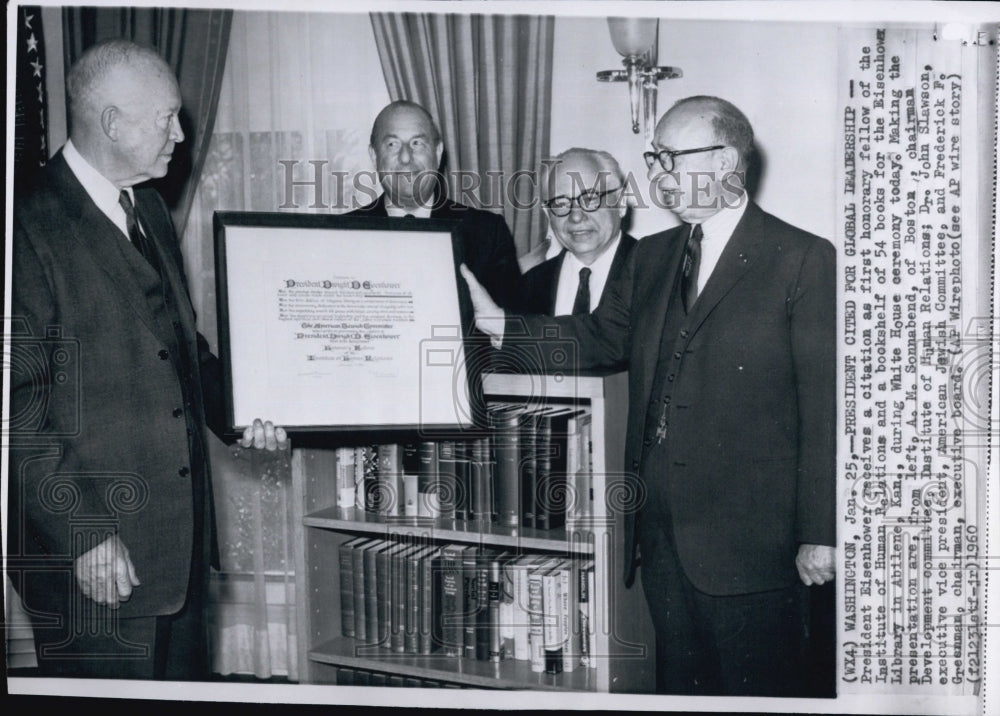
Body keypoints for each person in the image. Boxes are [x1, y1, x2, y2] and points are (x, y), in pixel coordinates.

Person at [461, 95, 835, 696]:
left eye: (671, 158)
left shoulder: (801, 258)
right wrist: (504, 325)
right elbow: (599, 336)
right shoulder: (657, 255)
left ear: (726, 161)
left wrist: (823, 530)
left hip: (752, 546)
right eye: (654, 159)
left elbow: (825, 407)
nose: (657, 175)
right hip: (660, 537)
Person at [8, 39, 284, 680]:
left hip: (175, 549)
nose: (181, 134)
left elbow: (185, 353)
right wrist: (84, 533)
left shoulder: (149, 208)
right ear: (110, 122)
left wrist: (248, 415)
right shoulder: (24, 223)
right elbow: (16, 405)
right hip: (94, 559)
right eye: (166, 118)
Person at [349, 100, 523, 312]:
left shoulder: (487, 233)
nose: (406, 158)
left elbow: (512, 334)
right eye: (392, 145)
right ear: (374, 156)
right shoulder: (344, 233)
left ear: (438, 152)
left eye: (417, 144)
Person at [518, 148, 637, 316]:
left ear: (621, 203)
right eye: (561, 203)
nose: (576, 217)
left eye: (589, 199)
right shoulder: (529, 286)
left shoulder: (656, 274)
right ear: (548, 214)